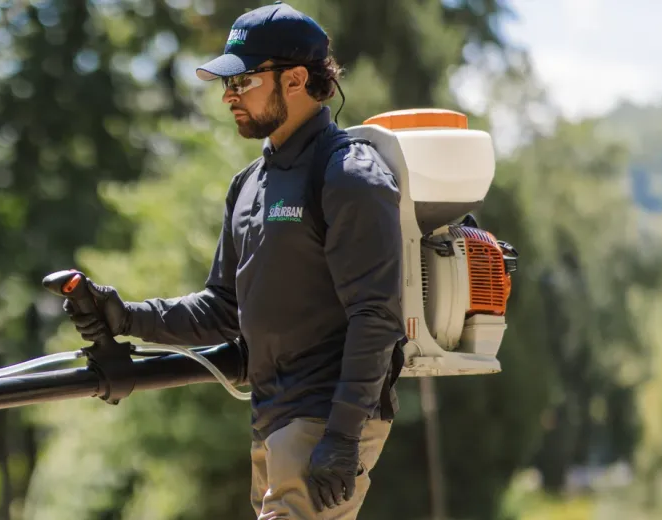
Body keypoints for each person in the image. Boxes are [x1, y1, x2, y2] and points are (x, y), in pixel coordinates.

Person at [62, 2, 406, 519]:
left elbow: (377, 317)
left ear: (293, 79)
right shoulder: (248, 185)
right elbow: (222, 309)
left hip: (323, 420)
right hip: (271, 420)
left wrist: (341, 436)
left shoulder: (349, 177)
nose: (227, 96)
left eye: (242, 81)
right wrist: (125, 316)